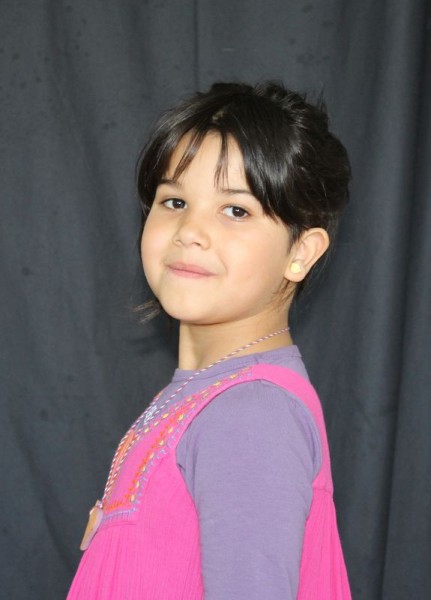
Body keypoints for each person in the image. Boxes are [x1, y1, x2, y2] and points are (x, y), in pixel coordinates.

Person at [67, 81, 352, 599]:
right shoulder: (205, 395)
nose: (190, 231)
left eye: (236, 210)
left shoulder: (251, 412)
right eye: (174, 201)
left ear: (301, 252)